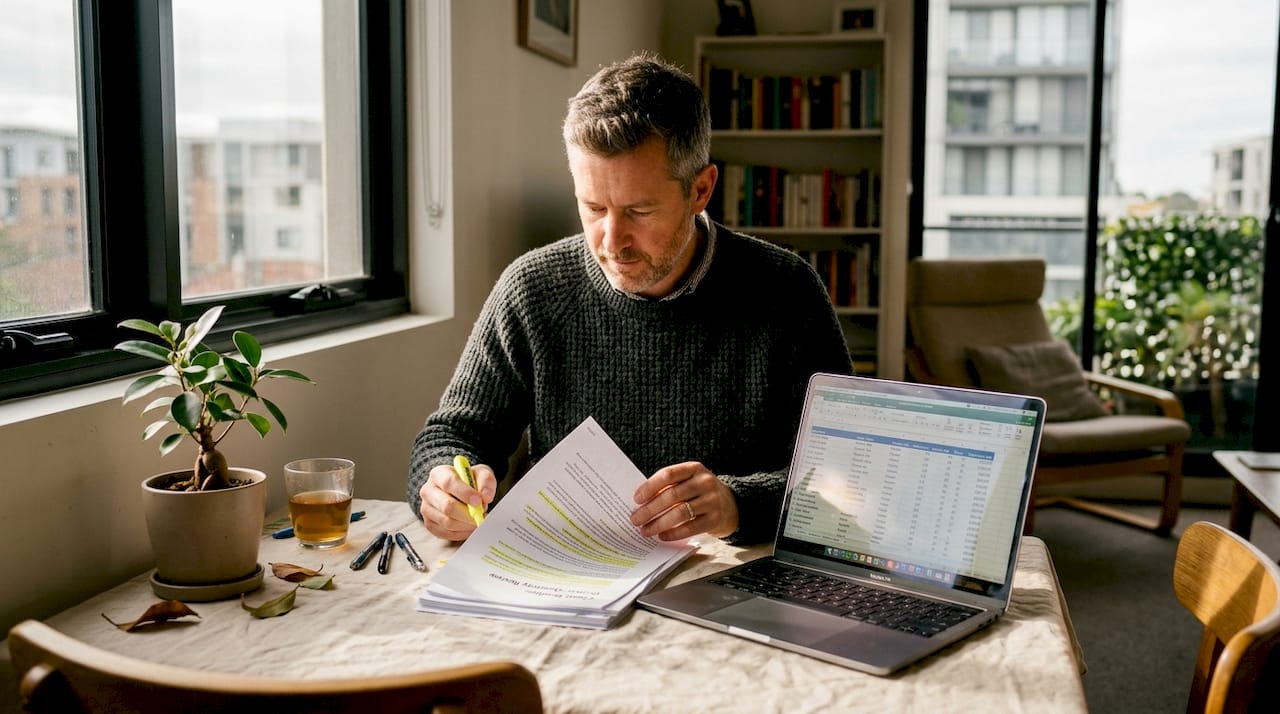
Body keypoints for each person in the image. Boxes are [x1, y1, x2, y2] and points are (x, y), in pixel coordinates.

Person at [408, 52, 851, 545]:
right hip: (565, 573)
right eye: (593, 207)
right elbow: (451, 436)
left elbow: (846, 473)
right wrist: (441, 485)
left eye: (639, 211)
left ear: (701, 189)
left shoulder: (786, 291)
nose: (611, 241)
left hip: (728, 583)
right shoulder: (531, 290)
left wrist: (737, 503)